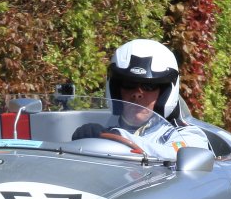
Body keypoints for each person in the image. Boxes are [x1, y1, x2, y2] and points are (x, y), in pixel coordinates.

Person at [72, 39, 211, 158]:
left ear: (165, 93)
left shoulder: (186, 135)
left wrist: (118, 136)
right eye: (129, 84)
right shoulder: (102, 131)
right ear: (116, 90)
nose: (137, 93)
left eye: (149, 86)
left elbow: (178, 156)